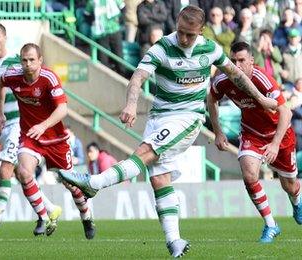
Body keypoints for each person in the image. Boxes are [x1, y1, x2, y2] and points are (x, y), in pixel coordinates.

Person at [60, 6, 278, 257]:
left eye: (190, 35)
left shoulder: (210, 49)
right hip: (159, 117)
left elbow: (236, 75)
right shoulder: (162, 47)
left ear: (201, 31)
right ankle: (175, 241)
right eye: (181, 32)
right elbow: (138, 77)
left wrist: (261, 98)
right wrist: (131, 103)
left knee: (145, 152)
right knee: (159, 179)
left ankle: (95, 183)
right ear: (176, 23)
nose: (184, 39)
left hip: (188, 118)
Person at [0, 23, 81, 239]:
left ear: (5, 38)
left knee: (5, 169)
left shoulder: (19, 62)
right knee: (20, 173)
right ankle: (49, 209)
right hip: (3, 125)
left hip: (20, 124)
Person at [0, 43, 95, 240]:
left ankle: (86, 216)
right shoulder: (12, 75)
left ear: (40, 60)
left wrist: (43, 125)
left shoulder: (49, 78)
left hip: (55, 139)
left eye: (32, 60)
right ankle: (43, 215)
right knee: (23, 173)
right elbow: (0, 83)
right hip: (30, 137)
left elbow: (62, 109)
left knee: (72, 185)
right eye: (24, 60)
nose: (28, 64)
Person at [208, 41, 302, 243]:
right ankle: (271, 224)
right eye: (233, 60)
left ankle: (296, 202)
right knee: (249, 174)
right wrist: (218, 132)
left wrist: (275, 144)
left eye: (241, 60)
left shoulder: (263, 79)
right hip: (252, 134)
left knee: (290, 185)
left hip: (280, 135)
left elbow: (285, 111)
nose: (237, 65)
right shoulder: (223, 78)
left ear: (251, 61)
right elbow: (211, 100)